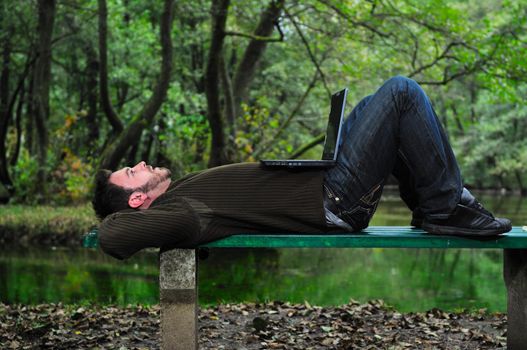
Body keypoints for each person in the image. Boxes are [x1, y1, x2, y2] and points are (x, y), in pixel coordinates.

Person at [93, 76, 512, 260]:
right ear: (137, 198)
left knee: (375, 108)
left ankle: (433, 206)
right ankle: (444, 207)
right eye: (132, 171)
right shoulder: (179, 214)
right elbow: (112, 235)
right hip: (333, 199)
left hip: (329, 187)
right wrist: (112, 217)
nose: (141, 163)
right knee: (401, 93)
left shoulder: (181, 198)